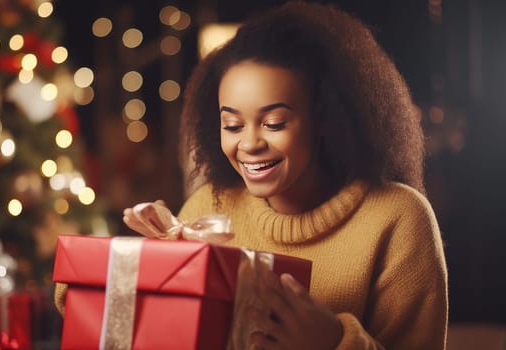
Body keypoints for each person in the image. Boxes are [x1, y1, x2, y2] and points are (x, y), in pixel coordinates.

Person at [122, 1, 448, 349]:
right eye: (232, 125)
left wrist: (335, 342)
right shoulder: (207, 210)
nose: (249, 144)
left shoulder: (398, 218)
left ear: (324, 118)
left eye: (274, 123)